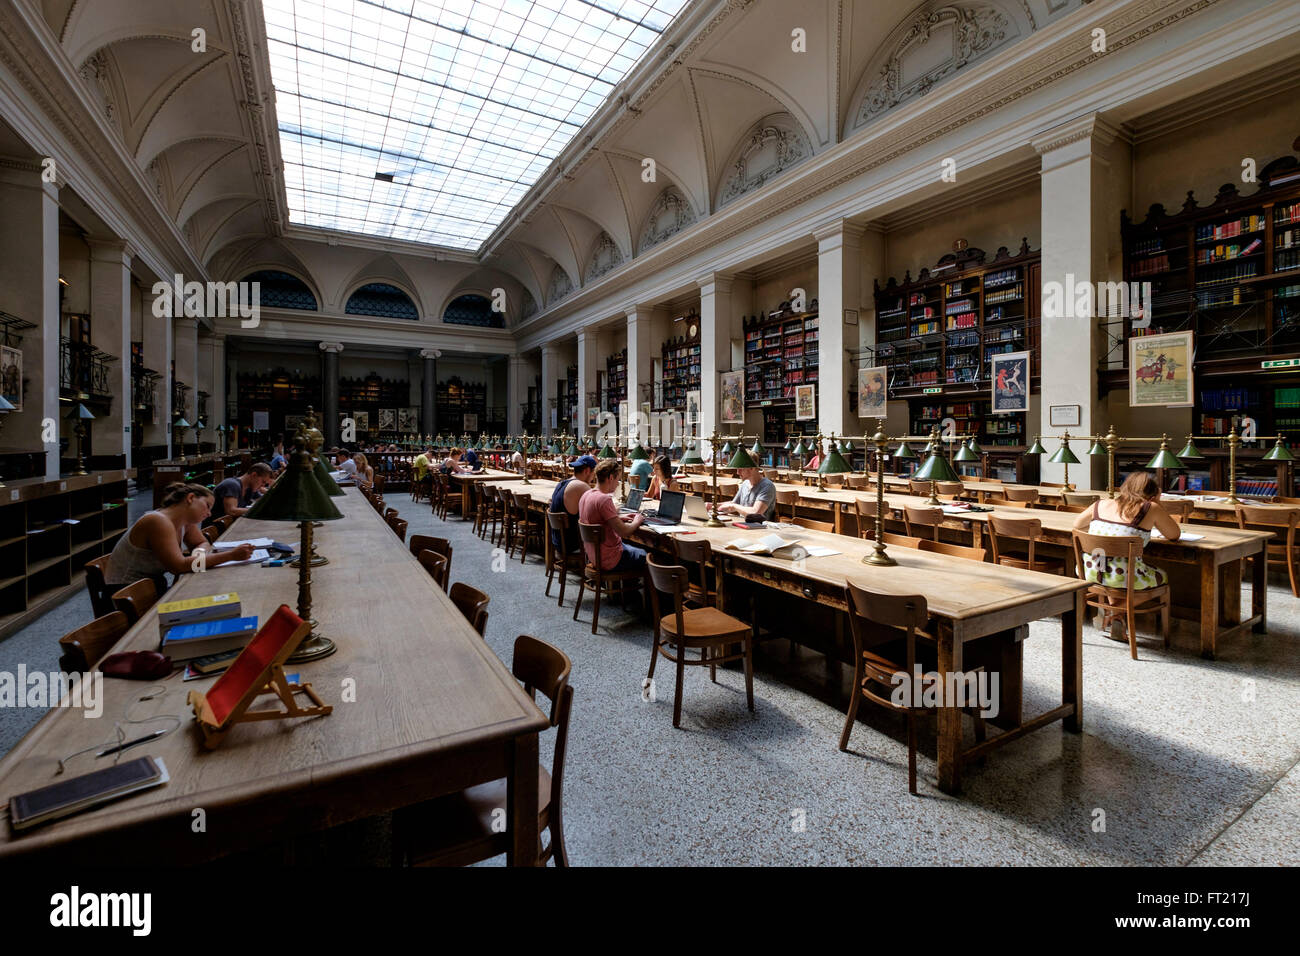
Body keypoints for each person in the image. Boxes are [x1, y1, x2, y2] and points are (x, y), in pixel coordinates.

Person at [106, 482, 255, 589]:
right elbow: (178, 566)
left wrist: (197, 558)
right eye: (207, 506)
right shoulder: (158, 521)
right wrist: (231, 555)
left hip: (150, 585)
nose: (209, 513)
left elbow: (201, 543)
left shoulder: (184, 522)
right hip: (126, 593)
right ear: (190, 498)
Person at [1072, 471, 1179, 597]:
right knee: (1162, 576)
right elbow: (1174, 534)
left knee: (1117, 570)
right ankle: (1116, 611)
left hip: (1090, 572)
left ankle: (1113, 612)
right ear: (1154, 493)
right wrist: (1158, 502)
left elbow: (1077, 525)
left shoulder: (1100, 504)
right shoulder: (1151, 507)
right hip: (1126, 579)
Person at [578, 459, 647, 573]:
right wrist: (637, 520)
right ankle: (632, 589)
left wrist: (618, 519)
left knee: (631, 547)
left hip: (594, 556)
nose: (618, 483)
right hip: (610, 559)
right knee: (646, 555)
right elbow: (624, 532)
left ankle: (624, 586)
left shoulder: (586, 495)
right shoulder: (604, 499)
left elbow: (596, 521)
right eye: (617, 479)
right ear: (610, 478)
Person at [549, 454, 596, 557]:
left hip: (559, 542)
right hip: (572, 545)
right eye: (594, 473)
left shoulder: (562, 483)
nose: (593, 477)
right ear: (587, 471)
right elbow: (598, 505)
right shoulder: (580, 486)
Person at [207, 462, 273, 527]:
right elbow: (231, 511)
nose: (263, 485)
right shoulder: (232, 485)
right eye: (263, 482)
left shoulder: (250, 488)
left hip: (231, 526)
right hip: (216, 532)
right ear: (254, 475)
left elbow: (264, 502)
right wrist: (259, 510)